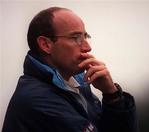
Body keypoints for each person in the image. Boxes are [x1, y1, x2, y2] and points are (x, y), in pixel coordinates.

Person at [2, 7, 138, 132]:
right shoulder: (38, 100)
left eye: (86, 37)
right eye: (76, 38)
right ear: (46, 45)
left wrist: (112, 96)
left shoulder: (76, 85)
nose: (87, 47)